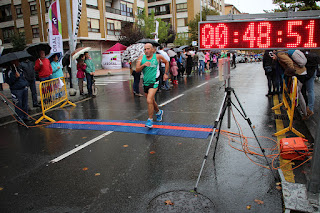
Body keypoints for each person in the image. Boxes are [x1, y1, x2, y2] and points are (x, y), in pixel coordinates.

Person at [135, 43, 169, 128]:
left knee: (149, 100)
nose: (146, 51)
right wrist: (143, 65)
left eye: (148, 49)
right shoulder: (141, 58)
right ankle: (158, 112)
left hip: (155, 81)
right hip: (146, 82)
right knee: (151, 101)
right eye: (145, 49)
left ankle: (150, 120)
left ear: (152, 50)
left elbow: (166, 62)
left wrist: (165, 74)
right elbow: (137, 70)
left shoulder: (157, 57)